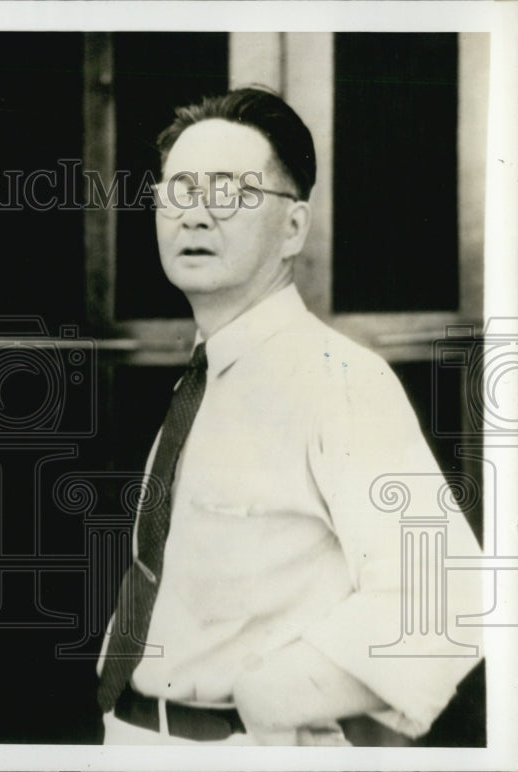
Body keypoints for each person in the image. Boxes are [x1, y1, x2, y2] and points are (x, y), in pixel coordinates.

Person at [95, 88, 483, 745]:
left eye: (230, 192)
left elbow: (449, 596)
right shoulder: (208, 375)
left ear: (294, 227)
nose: (195, 215)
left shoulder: (338, 381)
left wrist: (273, 694)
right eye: (179, 191)